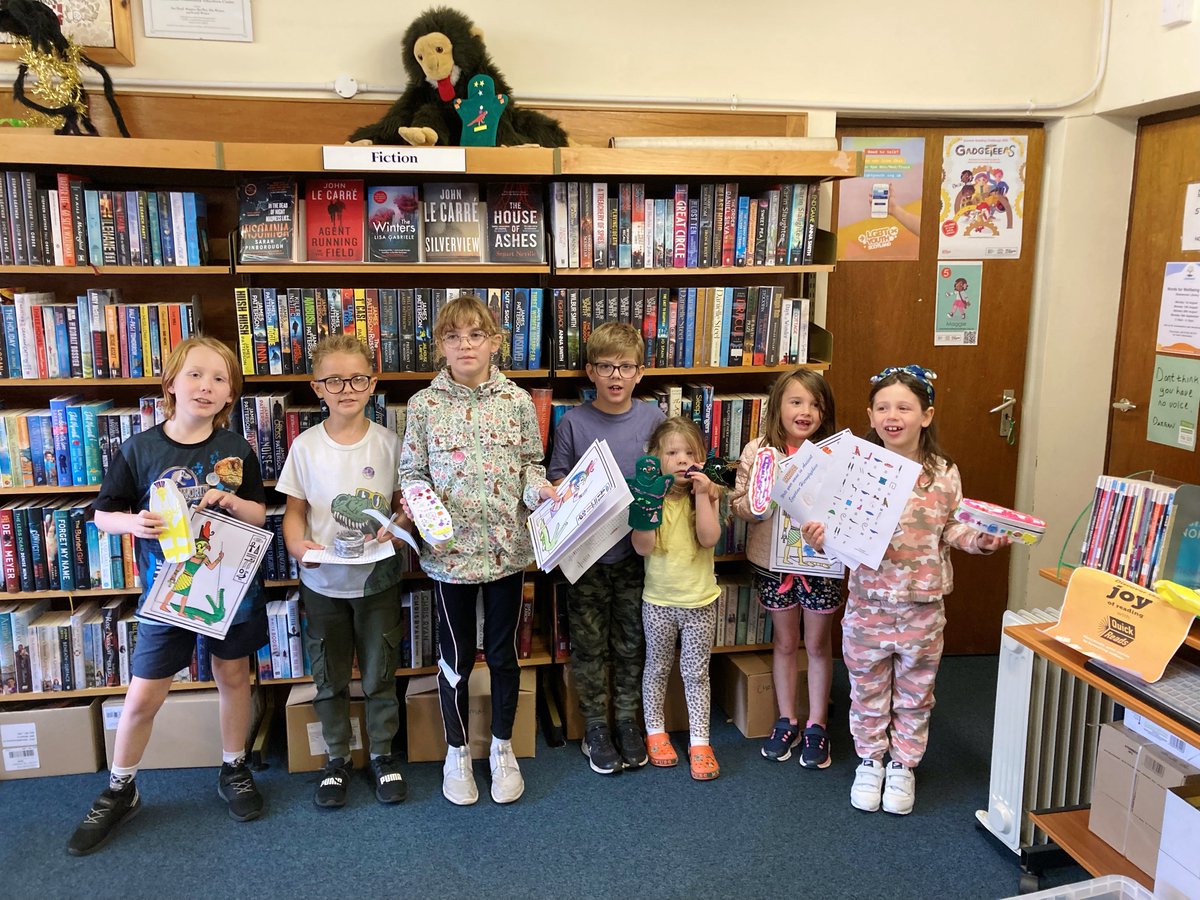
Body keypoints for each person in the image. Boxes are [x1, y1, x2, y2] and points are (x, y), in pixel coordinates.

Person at [67, 336, 268, 856]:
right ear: (171, 384)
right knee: (144, 694)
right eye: (195, 375)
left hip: (229, 589)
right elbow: (102, 514)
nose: (206, 386)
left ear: (230, 395)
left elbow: (260, 515)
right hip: (168, 594)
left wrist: (231, 501)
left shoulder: (237, 451)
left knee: (233, 676)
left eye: (219, 379)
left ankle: (234, 767)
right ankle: (120, 786)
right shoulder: (139, 448)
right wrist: (133, 521)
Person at [803, 365, 1008, 815]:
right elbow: (832, 526)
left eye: (904, 407)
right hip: (868, 605)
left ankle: (903, 765)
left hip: (922, 605)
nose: (892, 415)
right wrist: (819, 536)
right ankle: (871, 760)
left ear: (926, 415)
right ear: (870, 417)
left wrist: (981, 541)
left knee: (916, 691)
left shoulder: (942, 473)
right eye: (882, 407)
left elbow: (954, 527)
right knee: (867, 687)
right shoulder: (855, 467)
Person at [397, 294, 554, 806]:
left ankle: (502, 747)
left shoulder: (517, 403)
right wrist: (420, 508)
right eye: (452, 336)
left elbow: (532, 465)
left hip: (508, 551)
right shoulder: (424, 406)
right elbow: (412, 475)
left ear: (494, 341)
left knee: (506, 656)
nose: (465, 345)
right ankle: (458, 751)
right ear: (439, 345)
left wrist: (540, 491)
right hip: (450, 559)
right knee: (456, 659)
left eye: (475, 335)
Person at [276, 334, 409, 809]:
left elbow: (404, 507)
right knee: (328, 676)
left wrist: (397, 528)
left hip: (378, 580)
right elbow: (294, 510)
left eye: (356, 378)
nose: (346, 388)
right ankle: (336, 757)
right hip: (322, 583)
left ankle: (383, 755)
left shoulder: (391, 444)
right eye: (334, 380)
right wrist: (296, 546)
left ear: (372, 383)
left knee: (379, 673)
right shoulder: (305, 447)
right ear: (317, 388)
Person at [548, 322, 664, 775]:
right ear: (590, 371)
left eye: (626, 367)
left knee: (633, 642)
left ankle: (627, 721)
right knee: (590, 643)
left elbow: (670, 470)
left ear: (641, 372)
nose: (616, 376)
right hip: (589, 557)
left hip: (639, 554)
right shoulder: (574, 422)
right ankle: (596, 725)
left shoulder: (654, 420)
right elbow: (557, 476)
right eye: (605, 367)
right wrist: (570, 490)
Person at [730, 368, 842, 768]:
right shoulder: (758, 451)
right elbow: (739, 505)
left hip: (820, 565)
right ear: (777, 406)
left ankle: (817, 725)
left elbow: (847, 509)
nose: (805, 411)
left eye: (815, 404)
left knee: (816, 644)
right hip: (773, 564)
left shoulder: (835, 453)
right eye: (796, 402)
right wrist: (760, 504)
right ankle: (786, 719)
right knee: (783, 642)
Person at [631, 416, 723, 781]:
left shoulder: (708, 494)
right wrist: (648, 505)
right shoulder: (651, 497)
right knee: (656, 668)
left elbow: (709, 538)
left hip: (700, 602)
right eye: (672, 452)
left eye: (690, 453)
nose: (682, 459)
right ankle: (655, 732)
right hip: (658, 602)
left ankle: (700, 740)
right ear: (656, 457)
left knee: (696, 672)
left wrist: (703, 494)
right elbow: (642, 547)